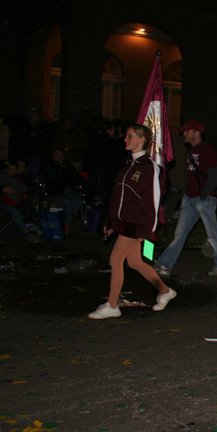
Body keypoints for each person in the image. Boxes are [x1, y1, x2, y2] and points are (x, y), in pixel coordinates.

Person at [88, 124, 174, 319]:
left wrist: (148, 230)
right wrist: (111, 222)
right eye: (126, 136)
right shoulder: (128, 166)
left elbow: (153, 200)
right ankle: (165, 291)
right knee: (134, 262)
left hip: (137, 224)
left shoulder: (149, 167)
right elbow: (119, 198)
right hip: (125, 222)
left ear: (141, 139)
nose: (125, 140)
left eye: (129, 136)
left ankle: (112, 305)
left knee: (115, 260)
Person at [154, 120, 217, 278]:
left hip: (205, 199)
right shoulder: (190, 151)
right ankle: (165, 264)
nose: (183, 134)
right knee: (180, 234)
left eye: (186, 131)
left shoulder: (208, 150)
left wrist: (203, 195)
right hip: (189, 199)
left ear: (196, 132)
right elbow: (191, 176)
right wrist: (187, 195)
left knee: (213, 234)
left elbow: (213, 177)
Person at [41, 148, 87, 234]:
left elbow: (77, 177)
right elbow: (54, 177)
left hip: (69, 190)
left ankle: (67, 216)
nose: (59, 157)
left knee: (80, 199)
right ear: (52, 156)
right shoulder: (47, 165)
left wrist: (86, 183)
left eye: (61, 155)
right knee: (68, 202)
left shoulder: (68, 166)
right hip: (55, 192)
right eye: (57, 155)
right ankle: (66, 224)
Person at [0, 160, 39, 243]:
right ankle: (28, 233)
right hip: (3, 200)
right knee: (16, 212)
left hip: (18, 201)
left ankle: (31, 228)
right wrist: (3, 189)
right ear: (6, 170)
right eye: (11, 168)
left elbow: (27, 189)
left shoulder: (22, 177)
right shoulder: (2, 177)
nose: (13, 170)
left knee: (28, 210)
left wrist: (18, 190)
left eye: (15, 168)